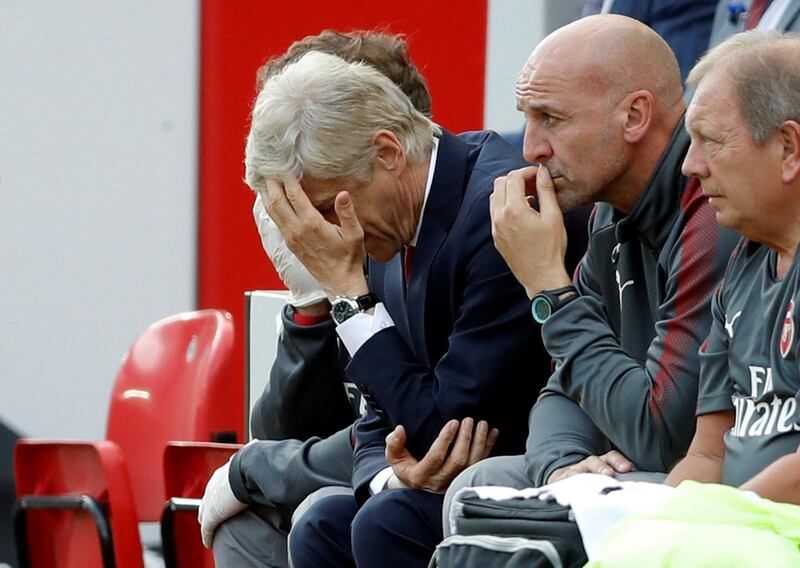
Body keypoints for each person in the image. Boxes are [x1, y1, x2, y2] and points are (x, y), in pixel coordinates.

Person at [206, 47, 549, 568]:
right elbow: (376, 417)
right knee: (323, 524)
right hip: (429, 482)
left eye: (322, 209)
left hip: (522, 474)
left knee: (381, 522)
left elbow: (448, 434)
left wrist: (348, 295)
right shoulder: (385, 212)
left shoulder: (492, 213)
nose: (316, 236)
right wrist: (390, 472)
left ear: (387, 152)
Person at [445, 13, 738, 528]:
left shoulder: (713, 207)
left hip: (714, 488)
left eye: (551, 119)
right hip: (636, 468)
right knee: (480, 485)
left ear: (634, 117)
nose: (531, 147)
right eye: (527, 118)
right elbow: (565, 386)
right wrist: (562, 466)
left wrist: (549, 290)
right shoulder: (610, 205)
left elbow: (661, 436)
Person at [666, 30, 800, 502]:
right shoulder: (745, 261)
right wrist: (661, 520)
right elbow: (709, 455)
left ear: (789, 148)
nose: (690, 165)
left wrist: (723, 521)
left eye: (710, 140)